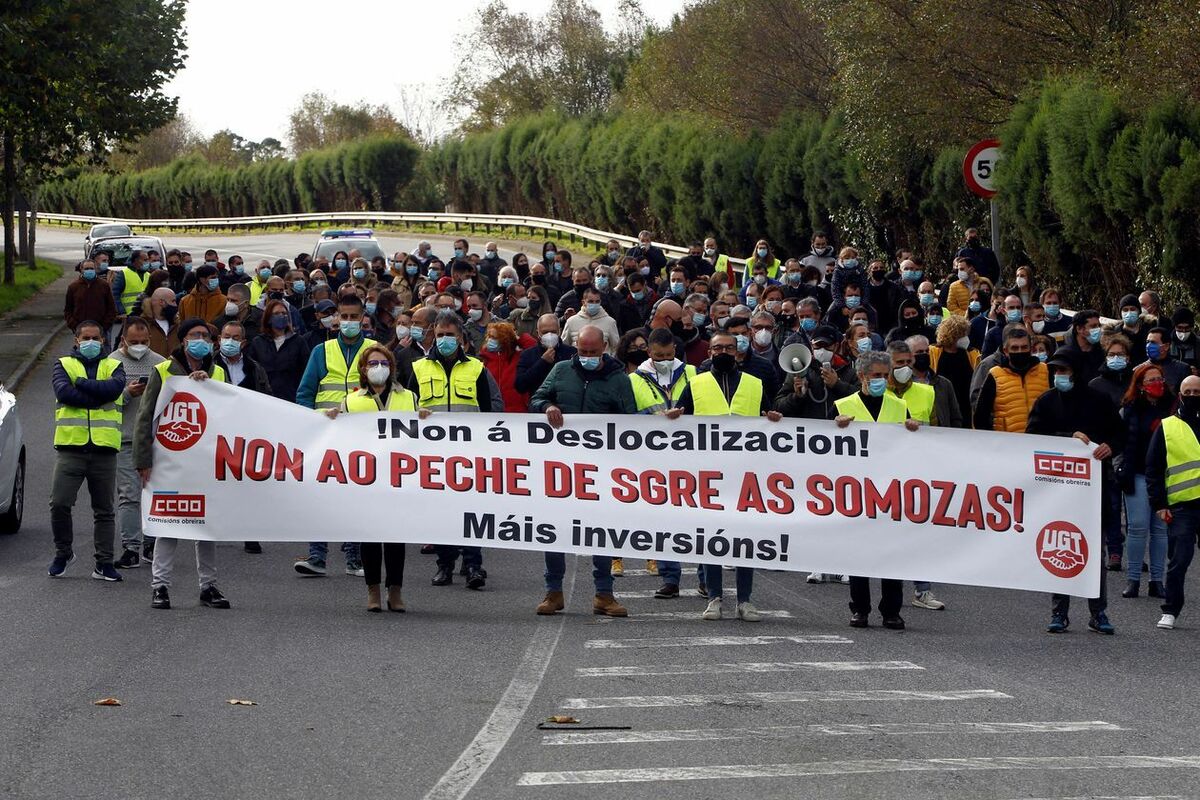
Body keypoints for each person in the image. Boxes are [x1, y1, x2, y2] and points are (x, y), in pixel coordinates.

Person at [670, 329, 783, 621]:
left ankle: (745, 600)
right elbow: (678, 420)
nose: (723, 353)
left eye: (728, 348)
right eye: (717, 348)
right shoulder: (696, 384)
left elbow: (771, 417)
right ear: (709, 353)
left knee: (745, 539)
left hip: (746, 475)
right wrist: (672, 417)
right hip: (707, 474)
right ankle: (715, 598)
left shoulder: (755, 384)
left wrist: (773, 418)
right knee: (712, 538)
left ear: (738, 352)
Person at [530, 325, 636, 617]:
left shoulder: (618, 379)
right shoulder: (561, 370)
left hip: (600, 469)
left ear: (604, 348)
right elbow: (536, 398)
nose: (587, 356)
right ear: (575, 348)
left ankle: (604, 594)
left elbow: (631, 424)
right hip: (560, 467)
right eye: (582, 351)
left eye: (593, 352)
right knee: (553, 529)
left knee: (600, 531)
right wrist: (547, 406)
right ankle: (553, 593)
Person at [134, 318, 232, 610]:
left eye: (205, 335)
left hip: (206, 462)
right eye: (194, 335)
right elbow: (145, 417)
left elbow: (231, 413)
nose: (200, 339)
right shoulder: (163, 370)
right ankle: (160, 587)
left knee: (206, 526)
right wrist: (142, 459)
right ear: (183, 340)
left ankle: (209, 586)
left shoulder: (219, 372)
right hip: (169, 462)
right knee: (169, 524)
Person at [325, 345, 428, 613]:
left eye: (383, 362)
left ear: (392, 367)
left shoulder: (409, 397)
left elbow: (423, 434)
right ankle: (373, 590)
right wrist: (331, 418)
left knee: (395, 536)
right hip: (366, 477)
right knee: (369, 536)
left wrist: (428, 419)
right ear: (363, 368)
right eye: (372, 363)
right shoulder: (352, 400)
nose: (378, 367)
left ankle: (395, 590)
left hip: (398, 475)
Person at [1027, 349, 1121, 634]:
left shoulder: (1098, 400)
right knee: (1060, 546)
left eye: (1064, 371)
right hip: (1057, 491)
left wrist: (1110, 446)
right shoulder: (1046, 401)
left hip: (1093, 489)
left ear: (1076, 373)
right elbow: (1031, 437)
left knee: (1094, 551)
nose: (1059, 376)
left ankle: (1098, 612)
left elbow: (1120, 432)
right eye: (1055, 371)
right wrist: (1067, 439)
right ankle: (1059, 612)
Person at [407, 310, 502, 589]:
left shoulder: (477, 368)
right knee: (440, 511)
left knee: (472, 511)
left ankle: (473, 565)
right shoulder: (418, 368)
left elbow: (492, 409)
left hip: (470, 453)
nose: (445, 340)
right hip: (433, 454)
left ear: (461, 338)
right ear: (432, 336)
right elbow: (407, 408)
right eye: (440, 335)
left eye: (450, 335)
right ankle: (444, 565)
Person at [834, 350, 921, 628]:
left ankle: (891, 610)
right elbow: (819, 446)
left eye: (885, 376)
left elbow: (912, 447)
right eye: (876, 376)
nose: (881, 380)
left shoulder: (897, 405)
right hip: (856, 491)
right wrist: (834, 428)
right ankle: (859, 608)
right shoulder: (841, 405)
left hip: (889, 491)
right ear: (861, 376)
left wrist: (913, 429)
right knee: (858, 553)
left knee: (890, 554)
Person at [294, 295, 374, 577]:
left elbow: (385, 392)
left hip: (361, 435)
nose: (349, 322)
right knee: (321, 495)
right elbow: (305, 393)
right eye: (345, 317)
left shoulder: (374, 351)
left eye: (354, 317)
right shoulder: (321, 351)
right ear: (337, 318)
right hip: (326, 434)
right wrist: (313, 422)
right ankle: (317, 557)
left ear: (363, 317)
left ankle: (355, 557)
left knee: (356, 496)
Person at [47, 321, 127, 582]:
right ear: (76, 340)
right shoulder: (63, 363)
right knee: (59, 503)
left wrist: (80, 382)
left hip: (104, 449)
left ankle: (104, 562)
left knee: (104, 509)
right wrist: (97, 396)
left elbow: (114, 389)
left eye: (95, 337)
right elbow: (64, 393)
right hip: (71, 447)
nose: (91, 342)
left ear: (104, 340)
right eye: (86, 338)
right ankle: (63, 553)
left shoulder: (113, 365)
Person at [629, 328, 698, 598]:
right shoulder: (634, 380)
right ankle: (670, 578)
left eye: (669, 355)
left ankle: (706, 579)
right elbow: (627, 420)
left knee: (700, 519)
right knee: (663, 521)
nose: (665, 359)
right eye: (659, 356)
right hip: (654, 459)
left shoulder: (693, 374)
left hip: (692, 457)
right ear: (649, 353)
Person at [110, 318, 167, 569]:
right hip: (123, 439)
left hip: (154, 441)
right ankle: (130, 547)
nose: (140, 346)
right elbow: (100, 402)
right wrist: (125, 394)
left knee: (153, 495)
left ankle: (151, 544)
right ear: (123, 340)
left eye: (144, 342)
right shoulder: (110, 363)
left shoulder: (161, 364)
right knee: (129, 496)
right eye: (134, 342)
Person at [1145, 374, 1200, 629]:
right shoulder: (1167, 426)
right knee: (1179, 560)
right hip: (1182, 506)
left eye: (1196, 392)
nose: (1192, 397)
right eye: (1187, 392)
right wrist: (1159, 504)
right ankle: (1170, 610)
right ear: (1179, 394)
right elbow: (1153, 467)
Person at [1117, 362, 1174, 599]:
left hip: (1165, 475)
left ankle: (1157, 581)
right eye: (1151, 380)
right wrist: (1120, 468)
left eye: (1159, 379)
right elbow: (1119, 440)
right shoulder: (1129, 409)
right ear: (1140, 385)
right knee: (1138, 527)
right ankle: (1133, 580)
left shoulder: (1172, 408)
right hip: (1137, 473)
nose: (1157, 384)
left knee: (1160, 529)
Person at [973, 327, 1050, 433]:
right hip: (1007, 443)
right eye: (1015, 348)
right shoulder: (995, 375)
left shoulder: (1045, 371)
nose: (1020, 351)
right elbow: (981, 415)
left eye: (1024, 347)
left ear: (1030, 349)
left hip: (1042, 441)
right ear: (1006, 351)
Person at [249, 299, 312, 410]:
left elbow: (306, 372)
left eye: (284, 313)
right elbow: (251, 371)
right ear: (268, 318)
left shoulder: (298, 341)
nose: (281, 316)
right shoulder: (258, 342)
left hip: (291, 401)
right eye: (277, 313)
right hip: (263, 401)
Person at [515, 314, 576, 397]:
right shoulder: (528, 354)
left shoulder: (572, 352)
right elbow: (520, 386)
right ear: (538, 333)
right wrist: (542, 362)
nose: (550, 335)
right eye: (545, 332)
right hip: (538, 405)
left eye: (553, 332)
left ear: (559, 331)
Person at [481, 321, 532, 412]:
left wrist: (517, 338)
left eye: (494, 337)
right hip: (493, 414)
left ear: (504, 340)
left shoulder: (519, 358)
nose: (489, 340)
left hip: (518, 413)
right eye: (489, 336)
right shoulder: (484, 360)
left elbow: (533, 346)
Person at [64, 260, 118, 334]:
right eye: (86, 269)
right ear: (81, 269)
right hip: (80, 330)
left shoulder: (104, 285)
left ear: (95, 269)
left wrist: (104, 326)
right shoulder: (73, 287)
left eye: (91, 268)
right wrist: (75, 326)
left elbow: (111, 308)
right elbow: (68, 310)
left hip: (101, 330)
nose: (89, 271)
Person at [562, 286, 619, 354]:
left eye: (597, 301)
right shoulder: (571, 321)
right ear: (583, 302)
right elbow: (564, 346)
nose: (594, 304)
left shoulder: (610, 322)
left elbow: (616, 347)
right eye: (591, 301)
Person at [1144, 327, 1191, 394]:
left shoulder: (1182, 369)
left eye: (1153, 342)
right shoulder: (1139, 370)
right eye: (1147, 342)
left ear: (1166, 346)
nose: (1148, 346)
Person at [141, 287, 180, 356]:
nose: (175, 305)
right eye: (173, 301)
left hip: (173, 366)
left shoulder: (178, 324)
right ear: (162, 302)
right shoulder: (141, 325)